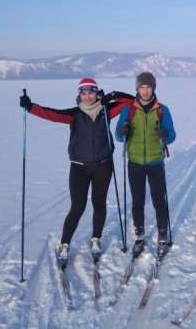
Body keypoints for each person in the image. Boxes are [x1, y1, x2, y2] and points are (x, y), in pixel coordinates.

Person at [19, 77, 134, 268]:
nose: (87, 96)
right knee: (77, 207)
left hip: (103, 165)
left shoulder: (107, 110)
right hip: (79, 167)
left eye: (91, 92)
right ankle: (65, 244)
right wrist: (30, 106)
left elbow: (130, 102)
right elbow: (51, 114)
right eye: (84, 93)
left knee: (99, 203)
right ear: (79, 95)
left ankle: (96, 239)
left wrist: (113, 96)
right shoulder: (74, 115)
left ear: (97, 93)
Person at [115, 72, 176, 260]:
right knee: (137, 201)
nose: (145, 91)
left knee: (159, 201)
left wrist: (164, 134)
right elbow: (118, 136)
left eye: (148, 87)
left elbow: (172, 135)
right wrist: (122, 131)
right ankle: (139, 236)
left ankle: (162, 235)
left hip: (155, 161)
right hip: (134, 162)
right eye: (141, 87)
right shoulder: (128, 109)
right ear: (137, 89)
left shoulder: (162, 110)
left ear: (153, 88)